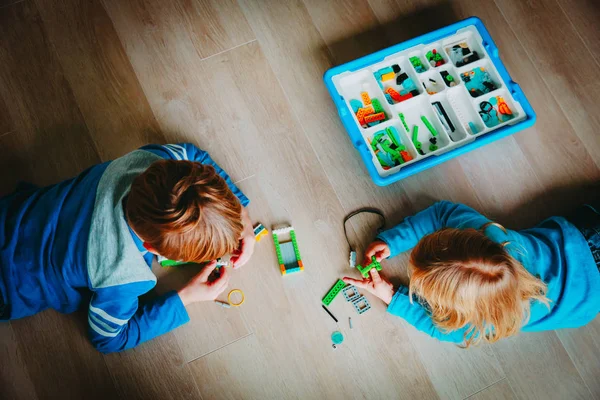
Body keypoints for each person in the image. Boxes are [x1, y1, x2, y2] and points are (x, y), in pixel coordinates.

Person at [0, 143, 256, 353]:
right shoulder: (124, 274)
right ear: (151, 248)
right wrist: (186, 296)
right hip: (10, 288)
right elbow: (108, 339)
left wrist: (240, 215)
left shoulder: (152, 161)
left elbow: (194, 156)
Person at [343, 201, 600, 345]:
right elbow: (442, 213)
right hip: (583, 237)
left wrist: (392, 297)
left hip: (589, 288)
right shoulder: (485, 235)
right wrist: (394, 241)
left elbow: (440, 329)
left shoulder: (488, 321)